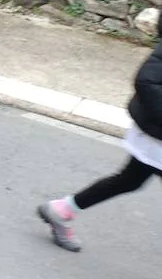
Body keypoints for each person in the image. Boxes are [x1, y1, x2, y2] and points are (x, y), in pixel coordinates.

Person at [38, 32, 162, 253]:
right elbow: (147, 80)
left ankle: (61, 210)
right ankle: (61, 210)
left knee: (129, 180)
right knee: (129, 180)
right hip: (157, 136)